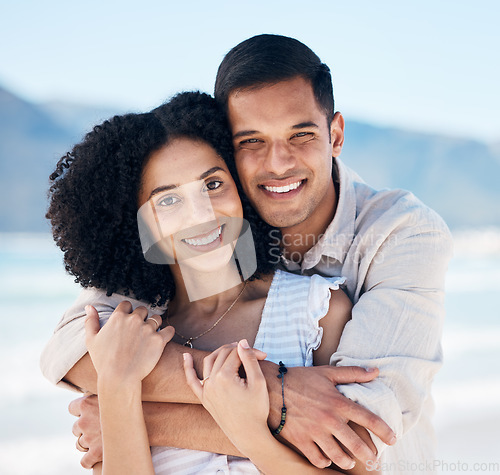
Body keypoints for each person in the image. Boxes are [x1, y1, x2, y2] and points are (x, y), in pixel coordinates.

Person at [41, 34, 452, 473]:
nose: (277, 164)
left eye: (301, 134)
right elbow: (70, 349)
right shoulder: (174, 273)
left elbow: (357, 437)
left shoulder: (400, 235)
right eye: (252, 141)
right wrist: (276, 390)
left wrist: (140, 416)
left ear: (335, 135)